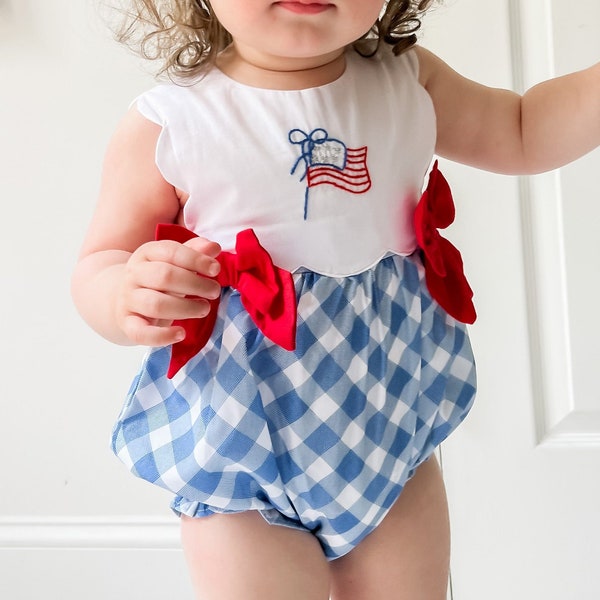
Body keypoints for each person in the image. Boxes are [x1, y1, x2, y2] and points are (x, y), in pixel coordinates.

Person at [71, 1, 600, 598]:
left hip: (391, 436)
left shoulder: (408, 81)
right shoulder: (175, 121)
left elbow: (524, 130)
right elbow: (99, 262)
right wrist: (125, 292)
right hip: (243, 455)